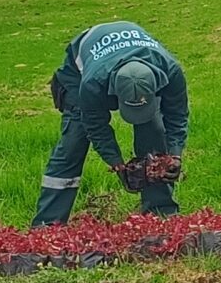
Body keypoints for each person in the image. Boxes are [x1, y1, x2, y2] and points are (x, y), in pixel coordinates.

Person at [34, 22, 188, 226]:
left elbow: (177, 116)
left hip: (134, 65)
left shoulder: (171, 71)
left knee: (154, 131)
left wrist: (174, 155)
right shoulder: (92, 83)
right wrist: (117, 163)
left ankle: (160, 213)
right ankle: (47, 224)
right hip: (80, 71)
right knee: (74, 141)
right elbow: (95, 126)